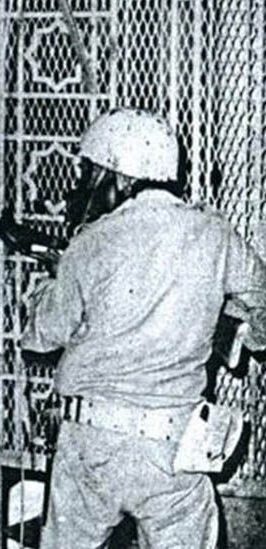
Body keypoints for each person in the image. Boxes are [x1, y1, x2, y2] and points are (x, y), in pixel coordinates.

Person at [20, 108, 266, 548]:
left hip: (91, 444)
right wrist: (241, 335)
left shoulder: (92, 240)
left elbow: (44, 334)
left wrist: (43, 287)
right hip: (174, 445)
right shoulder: (216, 234)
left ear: (120, 178)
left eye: (94, 173)